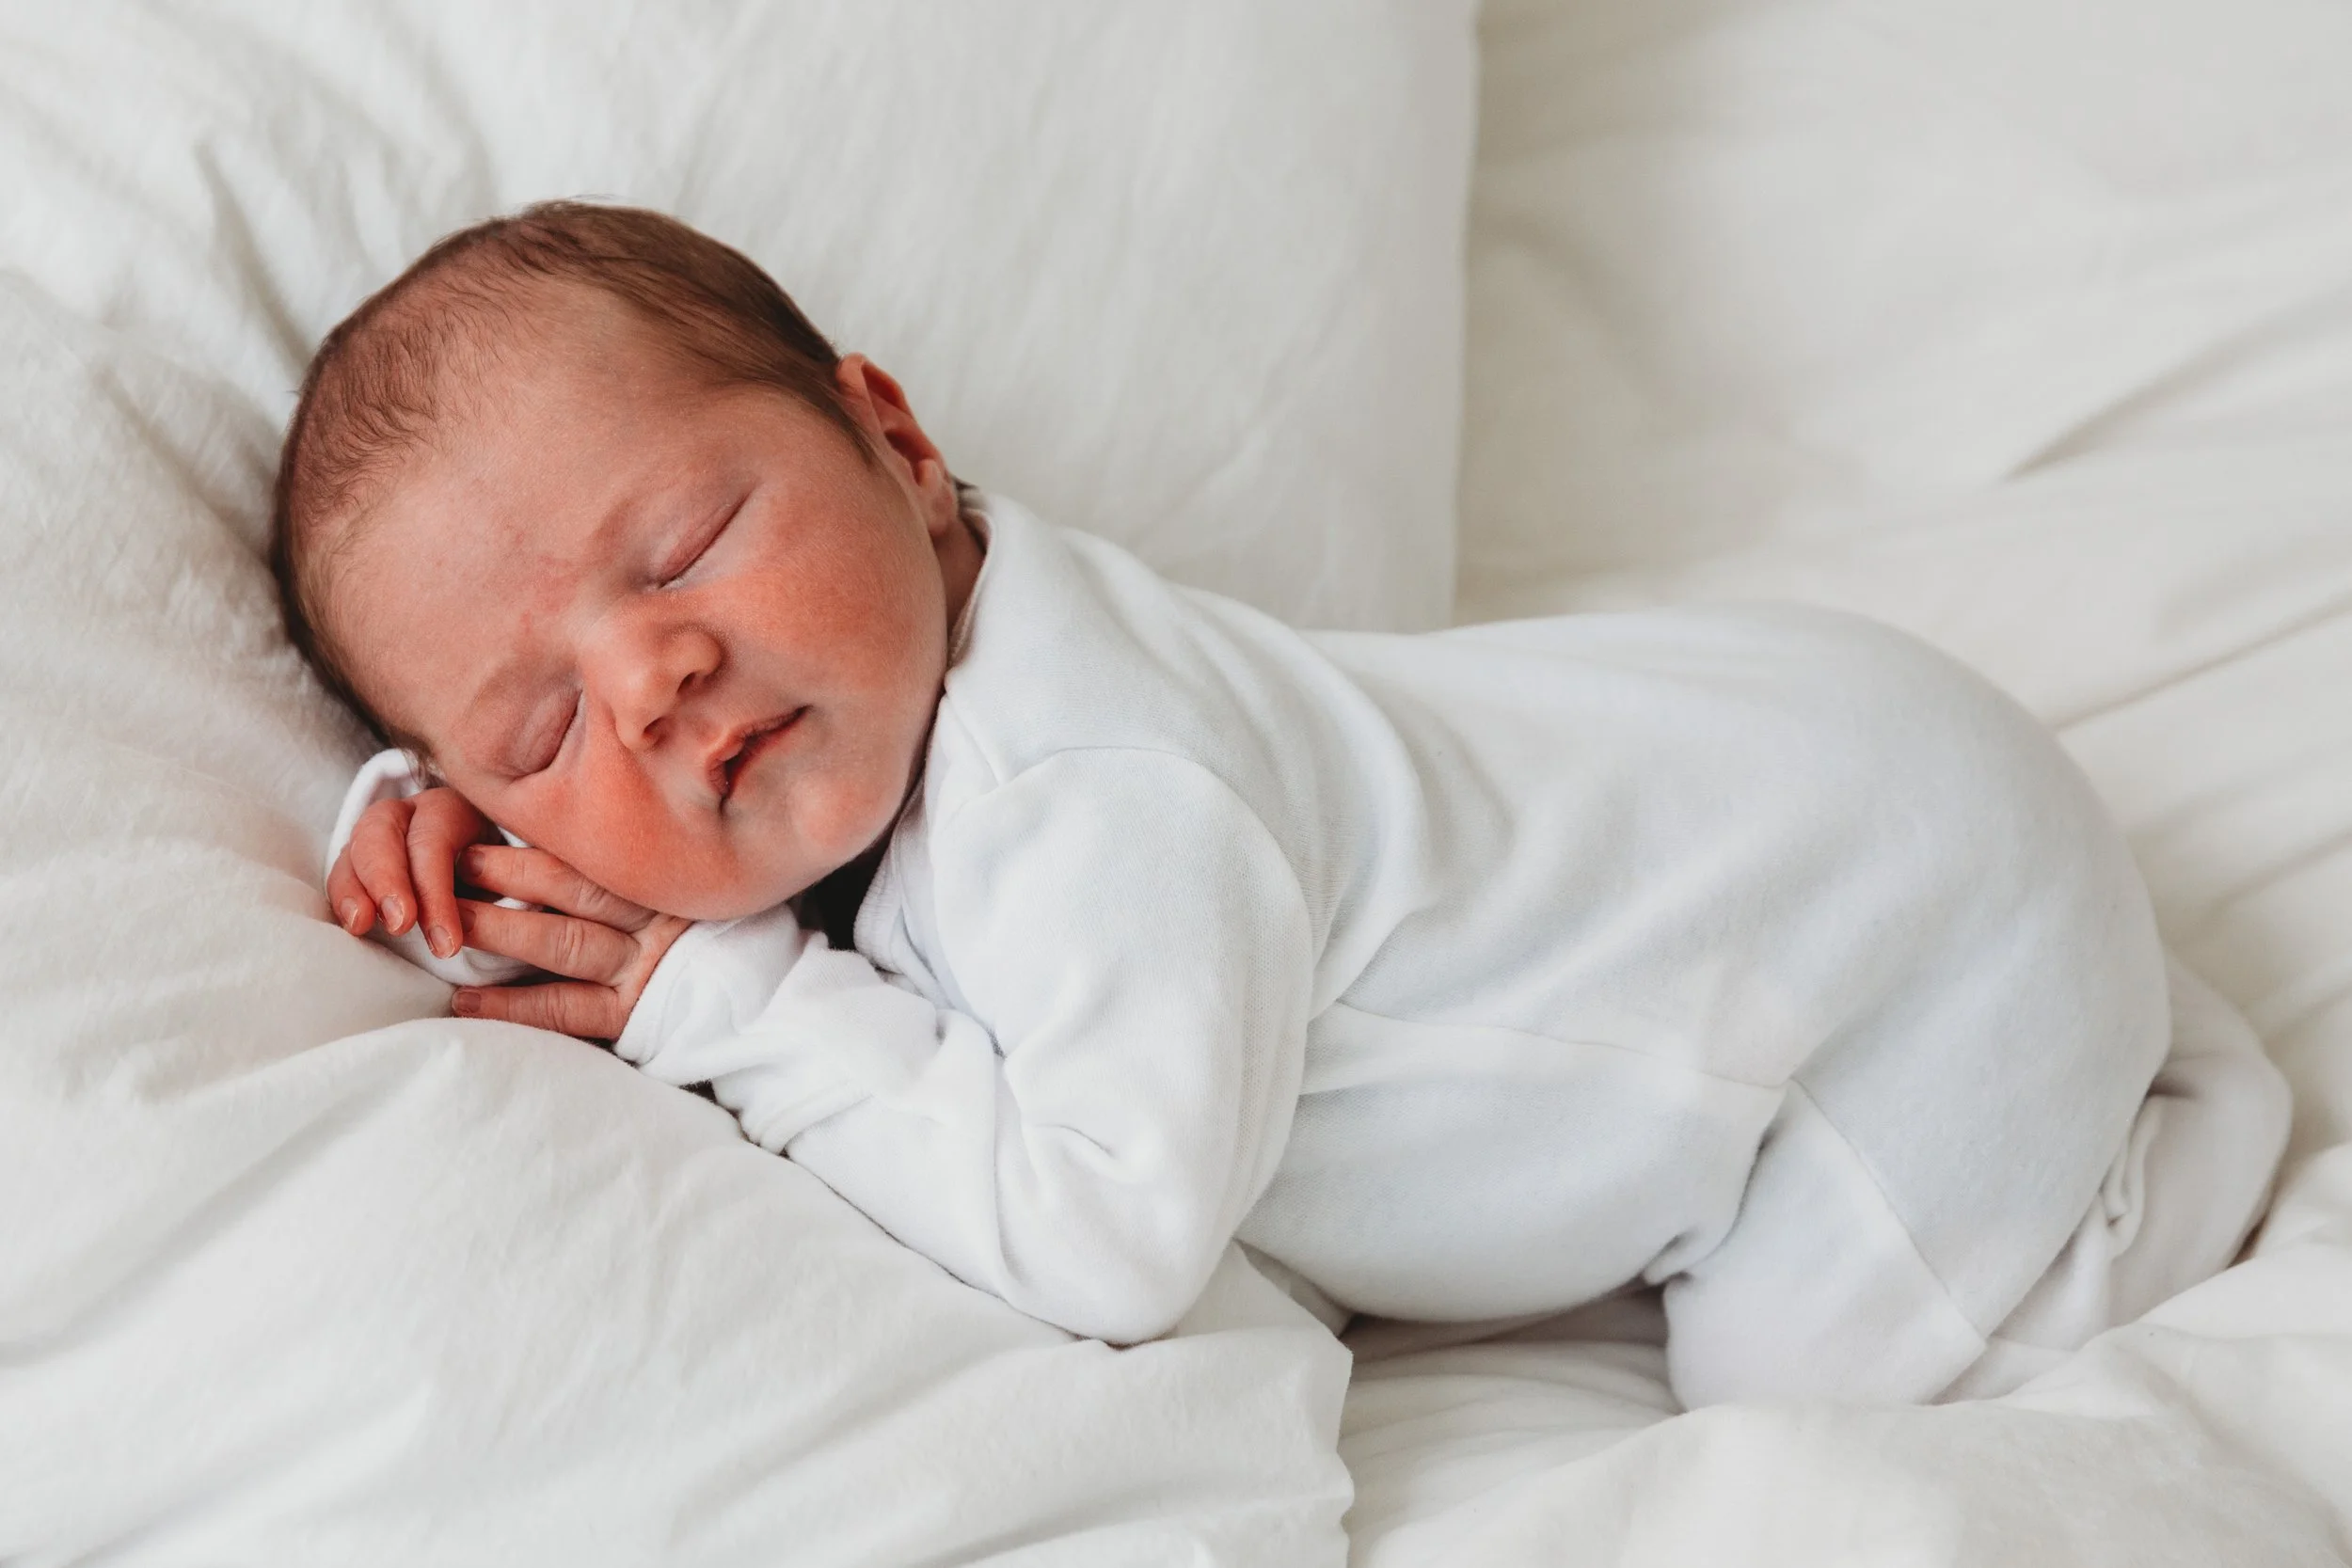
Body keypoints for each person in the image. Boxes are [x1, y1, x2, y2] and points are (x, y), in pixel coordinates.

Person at [275, 201, 2289, 1407]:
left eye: (692, 539)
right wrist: (438, 813)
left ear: (891, 439)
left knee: (1810, 1395)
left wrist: (718, 1004)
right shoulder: (889, 690)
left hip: (1913, 918)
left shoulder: (1097, 788)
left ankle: (2155, 1144)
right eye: (535, 732)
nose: (651, 682)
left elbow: (1109, 1237)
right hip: (1788, 772)